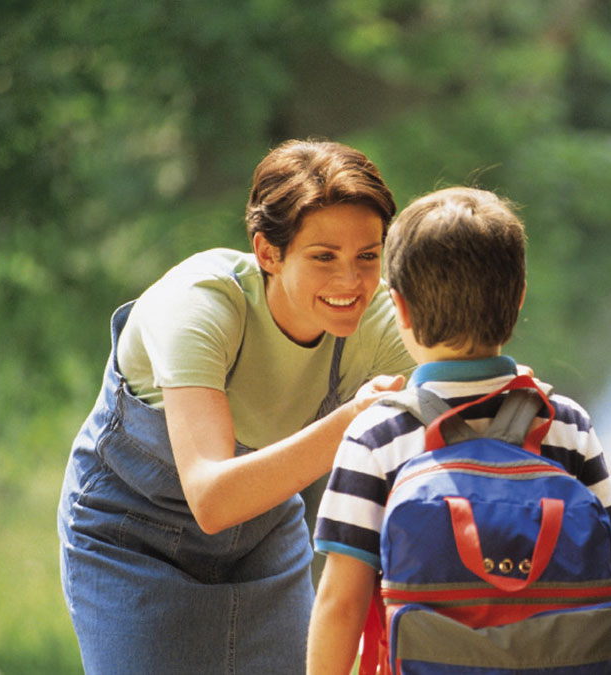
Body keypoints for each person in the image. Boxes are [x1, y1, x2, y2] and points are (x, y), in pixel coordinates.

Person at [57, 139, 417, 673]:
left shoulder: (381, 320)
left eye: (368, 256)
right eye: (324, 257)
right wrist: (352, 421)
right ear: (268, 252)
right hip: (129, 539)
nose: (352, 282)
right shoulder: (199, 304)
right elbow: (212, 497)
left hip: (265, 535)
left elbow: (458, 407)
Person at [306, 186, 611, 673]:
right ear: (519, 297)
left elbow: (340, 605)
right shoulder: (564, 423)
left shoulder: (378, 436)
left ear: (401, 308)